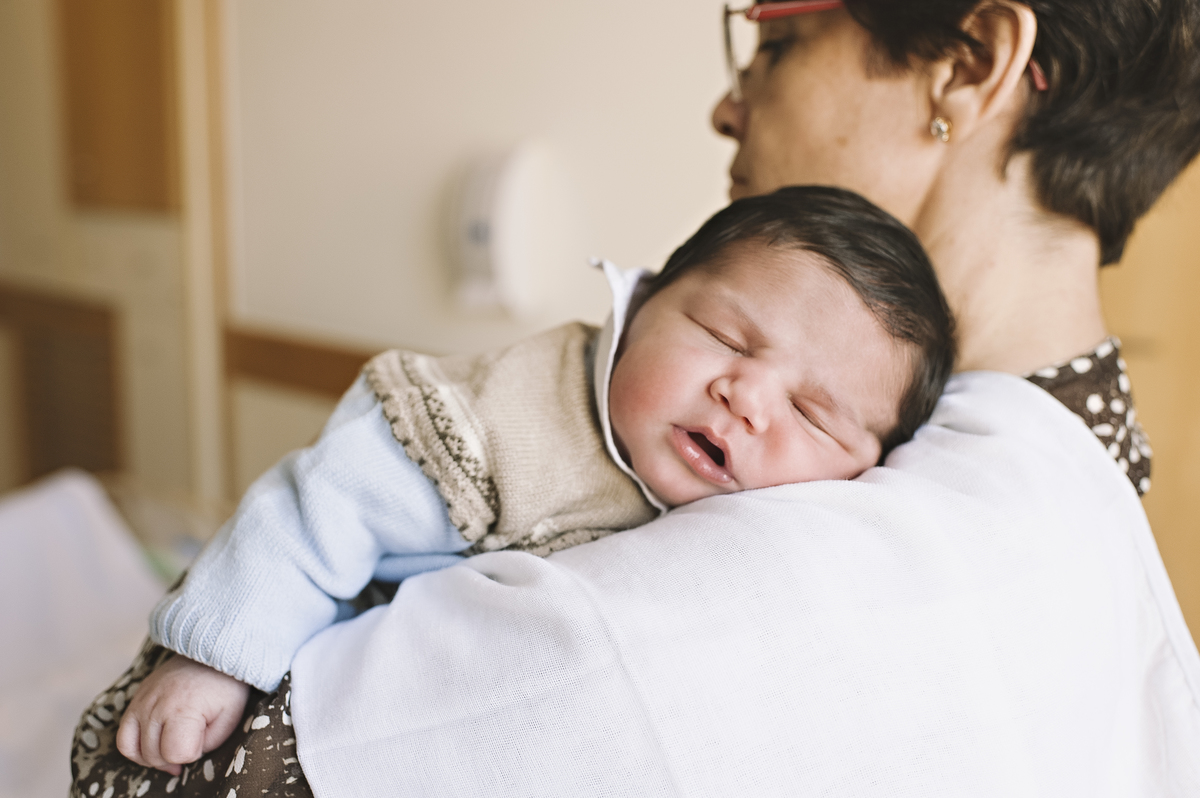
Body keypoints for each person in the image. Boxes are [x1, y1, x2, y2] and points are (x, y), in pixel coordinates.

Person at [72, 1, 1200, 795]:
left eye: (777, 39)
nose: (727, 105)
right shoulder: (1078, 467)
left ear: (972, 60)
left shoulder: (856, 558)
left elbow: (140, 777)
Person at [72, 185, 955, 792]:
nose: (747, 398)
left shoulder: (790, 546)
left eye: (813, 412)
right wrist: (215, 656)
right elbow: (317, 508)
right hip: (302, 653)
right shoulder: (494, 419)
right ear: (642, 302)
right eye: (725, 335)